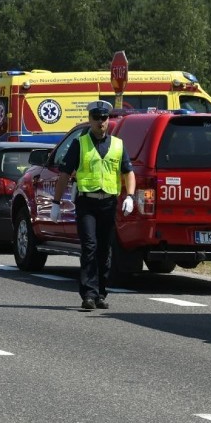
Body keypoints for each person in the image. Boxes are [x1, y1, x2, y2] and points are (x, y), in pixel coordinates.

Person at [50, 100, 136, 311]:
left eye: (104, 118)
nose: (100, 122)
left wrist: (130, 196)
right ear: (89, 119)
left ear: (108, 120)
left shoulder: (118, 145)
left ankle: (101, 293)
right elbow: (64, 174)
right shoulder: (80, 144)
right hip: (87, 203)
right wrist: (56, 202)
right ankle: (88, 294)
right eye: (96, 118)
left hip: (108, 203)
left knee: (104, 250)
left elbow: (128, 172)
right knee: (90, 246)